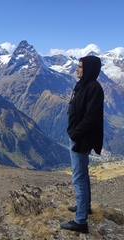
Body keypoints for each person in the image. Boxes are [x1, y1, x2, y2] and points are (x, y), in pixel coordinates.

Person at [60, 55, 104, 233]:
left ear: (89, 69)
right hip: (79, 137)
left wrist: (74, 134)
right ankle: (84, 208)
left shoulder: (93, 88)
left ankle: (80, 221)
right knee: (83, 175)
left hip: (81, 139)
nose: (76, 69)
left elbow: (91, 118)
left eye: (79, 67)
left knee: (78, 178)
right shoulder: (84, 85)